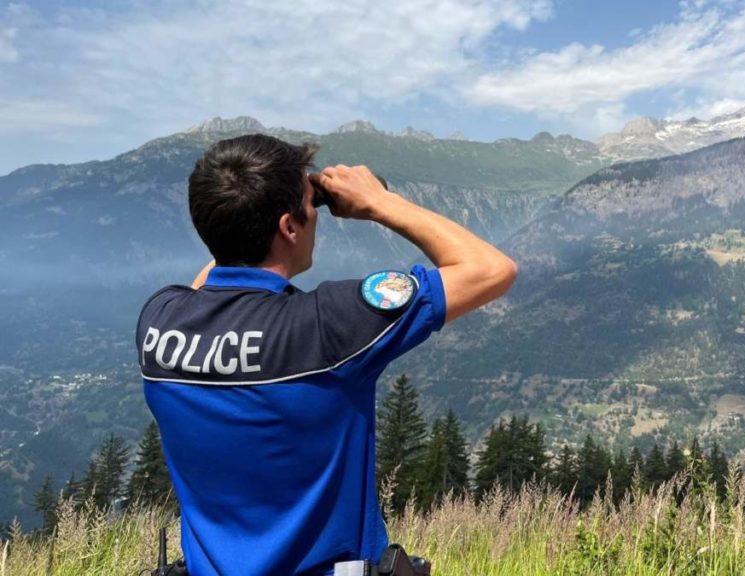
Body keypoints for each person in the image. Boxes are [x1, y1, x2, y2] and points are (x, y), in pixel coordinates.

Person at [135, 134, 516, 575]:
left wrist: (260, 211)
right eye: (311, 208)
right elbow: (491, 269)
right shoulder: (330, 326)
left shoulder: (159, 321)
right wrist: (377, 202)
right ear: (289, 227)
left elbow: (214, 281)